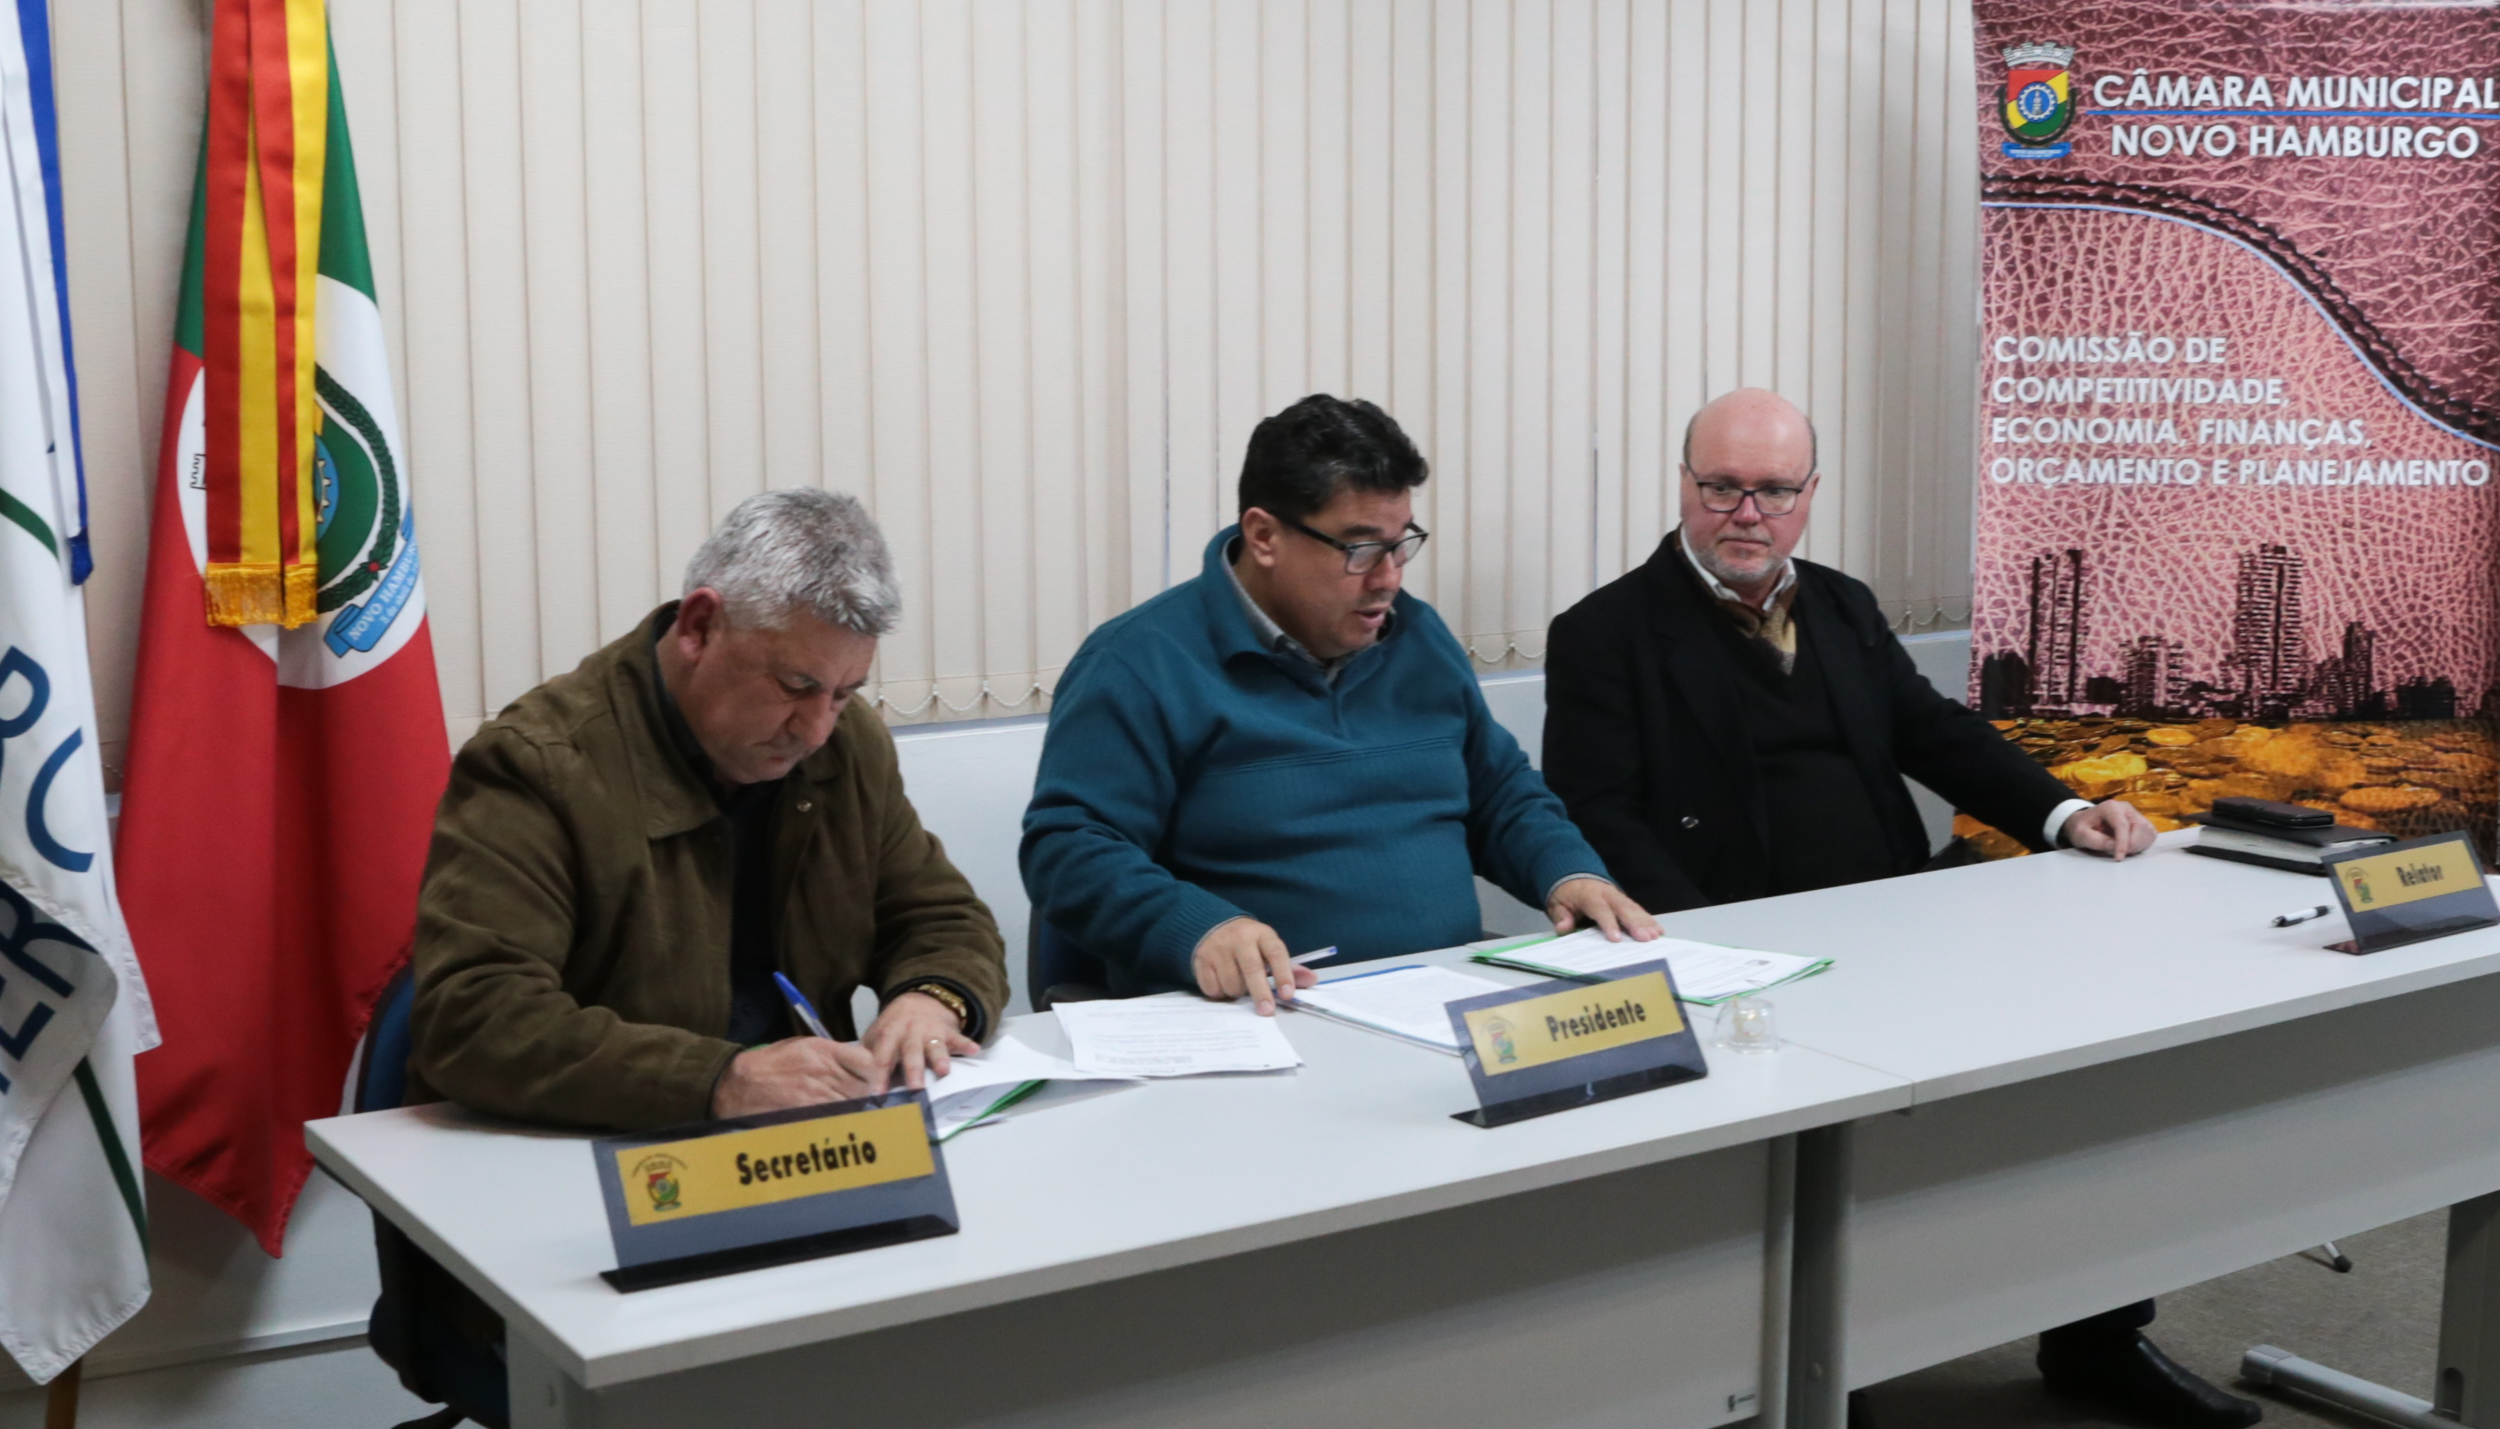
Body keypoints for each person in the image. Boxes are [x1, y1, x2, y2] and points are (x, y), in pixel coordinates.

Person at [1542, 388, 2252, 1429]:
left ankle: (2095, 1334)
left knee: (2074, 1081)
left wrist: (2063, 813)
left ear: (1811, 493)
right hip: (1745, 960)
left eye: (1774, 490)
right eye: (1722, 487)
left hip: (1898, 929)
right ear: (1683, 486)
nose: (1747, 512)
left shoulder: (1841, 604)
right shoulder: (1604, 632)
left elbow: (1935, 733)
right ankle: (1829, 1371)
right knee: (1824, 1167)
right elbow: (1600, 813)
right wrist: (1715, 950)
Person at [1022, 393, 1656, 1009]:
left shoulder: (1418, 638)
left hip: (1441, 1000)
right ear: (1264, 536)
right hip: (1264, 1013)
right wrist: (1199, 929)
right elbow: (1070, 850)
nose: (1389, 578)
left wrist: (1568, 871)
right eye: (1361, 550)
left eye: (1400, 544)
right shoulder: (1141, 663)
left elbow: (1499, 795)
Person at [411, 489, 1010, 1131]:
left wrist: (932, 998)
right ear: (699, 627)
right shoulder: (541, 763)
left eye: (843, 693)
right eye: (796, 686)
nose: (815, 729)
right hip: (599, 1144)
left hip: (809, 1142)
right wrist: (720, 1079)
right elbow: (475, 1016)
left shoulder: (847, 744)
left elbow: (941, 918)